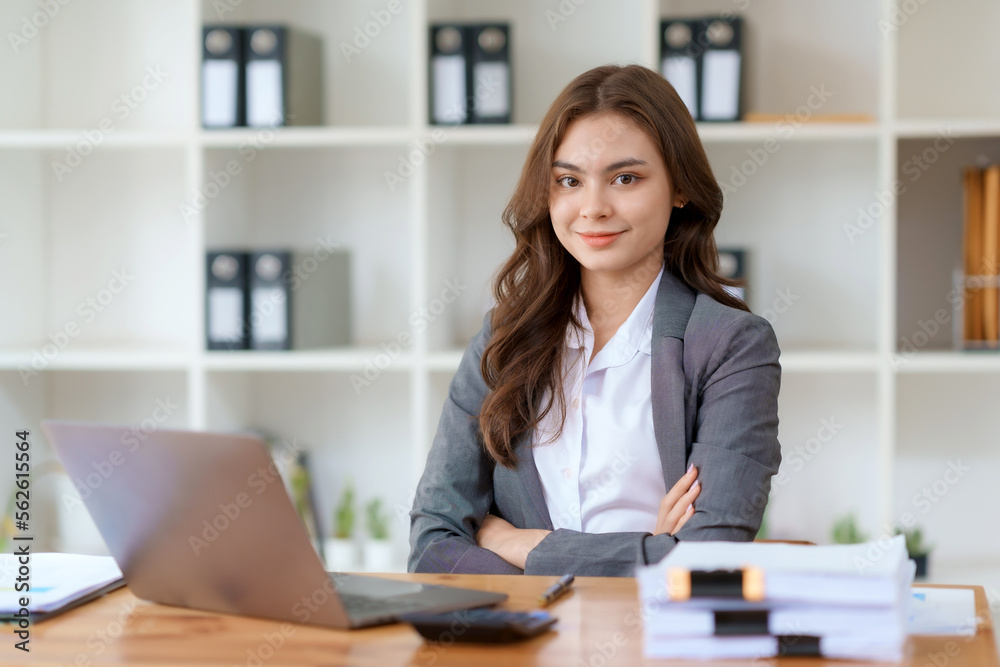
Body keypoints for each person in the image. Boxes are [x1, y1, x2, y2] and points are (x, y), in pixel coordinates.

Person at [408, 64, 781, 577]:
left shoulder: (730, 345)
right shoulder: (505, 338)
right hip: (525, 646)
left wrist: (525, 547)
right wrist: (647, 549)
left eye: (625, 178)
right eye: (568, 181)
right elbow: (432, 542)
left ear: (679, 187)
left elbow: (706, 558)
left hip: (657, 647)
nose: (593, 208)